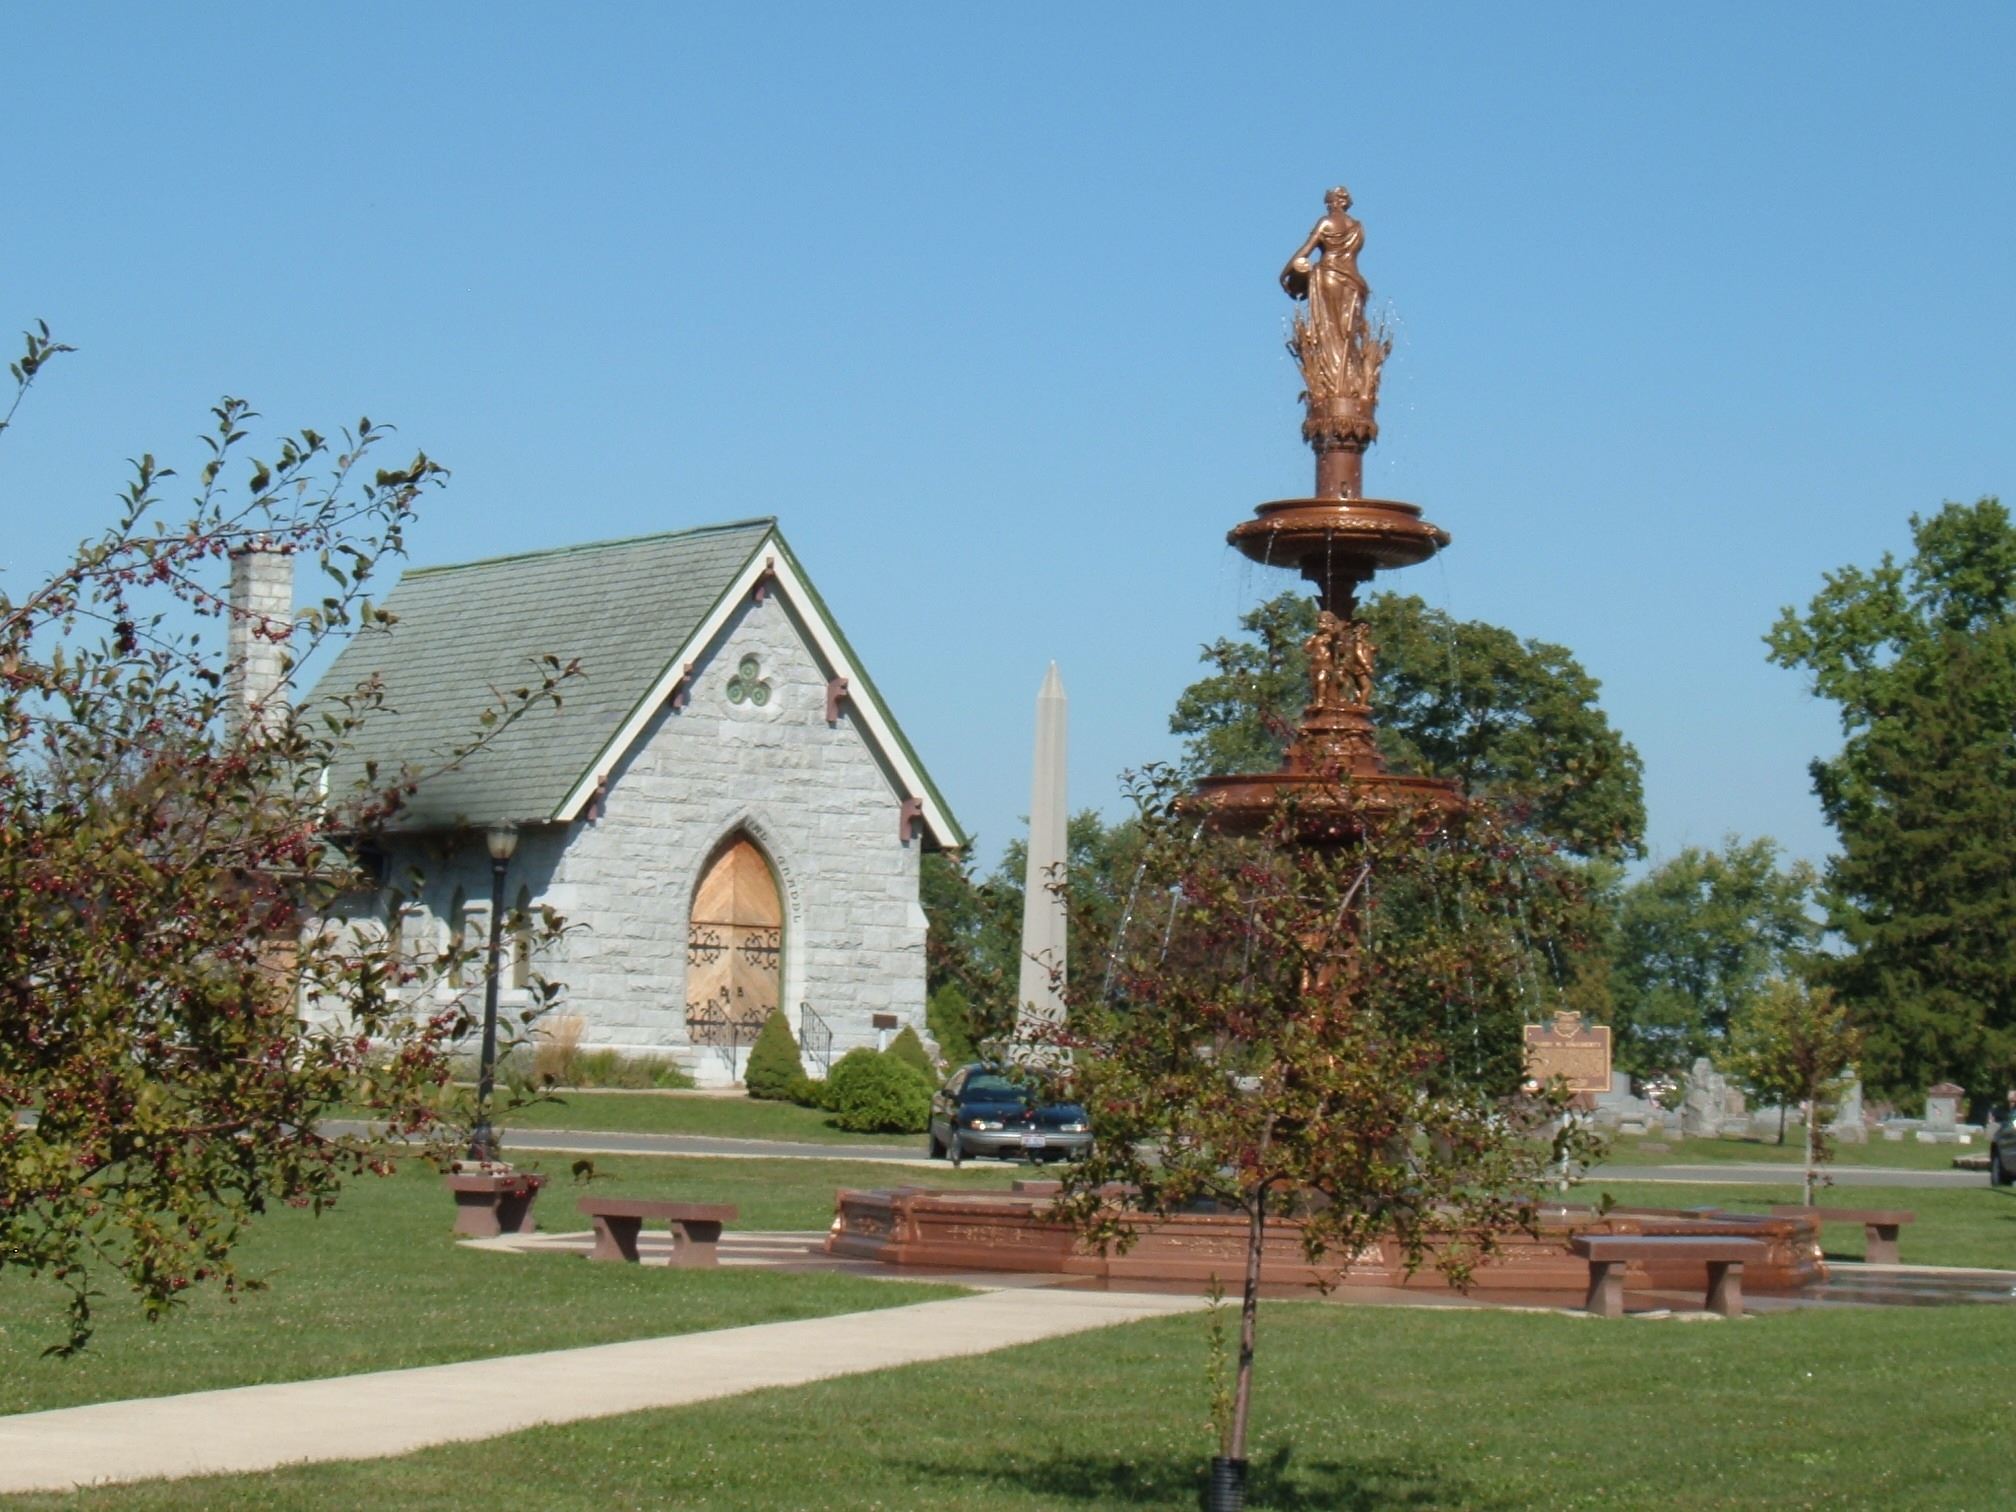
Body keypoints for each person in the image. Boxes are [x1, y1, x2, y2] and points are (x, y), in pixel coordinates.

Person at [1280, 186, 1370, 369]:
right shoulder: (1358, 228)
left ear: (1335, 202)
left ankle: (1332, 374)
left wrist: (1284, 274)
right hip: (1355, 282)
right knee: (1349, 332)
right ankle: (1350, 374)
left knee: (1329, 329)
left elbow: (1305, 251)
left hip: (1330, 276)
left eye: (1328, 203)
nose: (1328, 207)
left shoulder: (1326, 223)